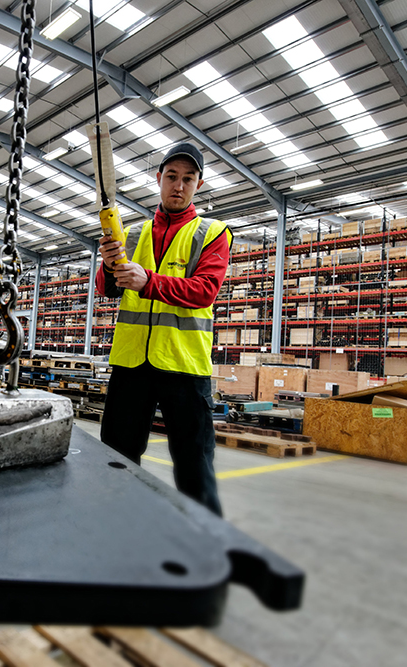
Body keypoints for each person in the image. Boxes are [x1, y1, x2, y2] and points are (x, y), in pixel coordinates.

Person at [95, 142, 231, 516]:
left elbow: (205, 291)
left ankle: (205, 550)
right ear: (158, 179)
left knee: (193, 466)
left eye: (188, 179)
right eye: (171, 176)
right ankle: (120, 535)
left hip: (184, 367)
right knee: (116, 458)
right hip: (131, 364)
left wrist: (148, 282)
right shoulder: (133, 234)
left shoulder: (212, 232)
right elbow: (106, 289)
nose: (178, 185)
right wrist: (108, 265)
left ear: (198, 185)